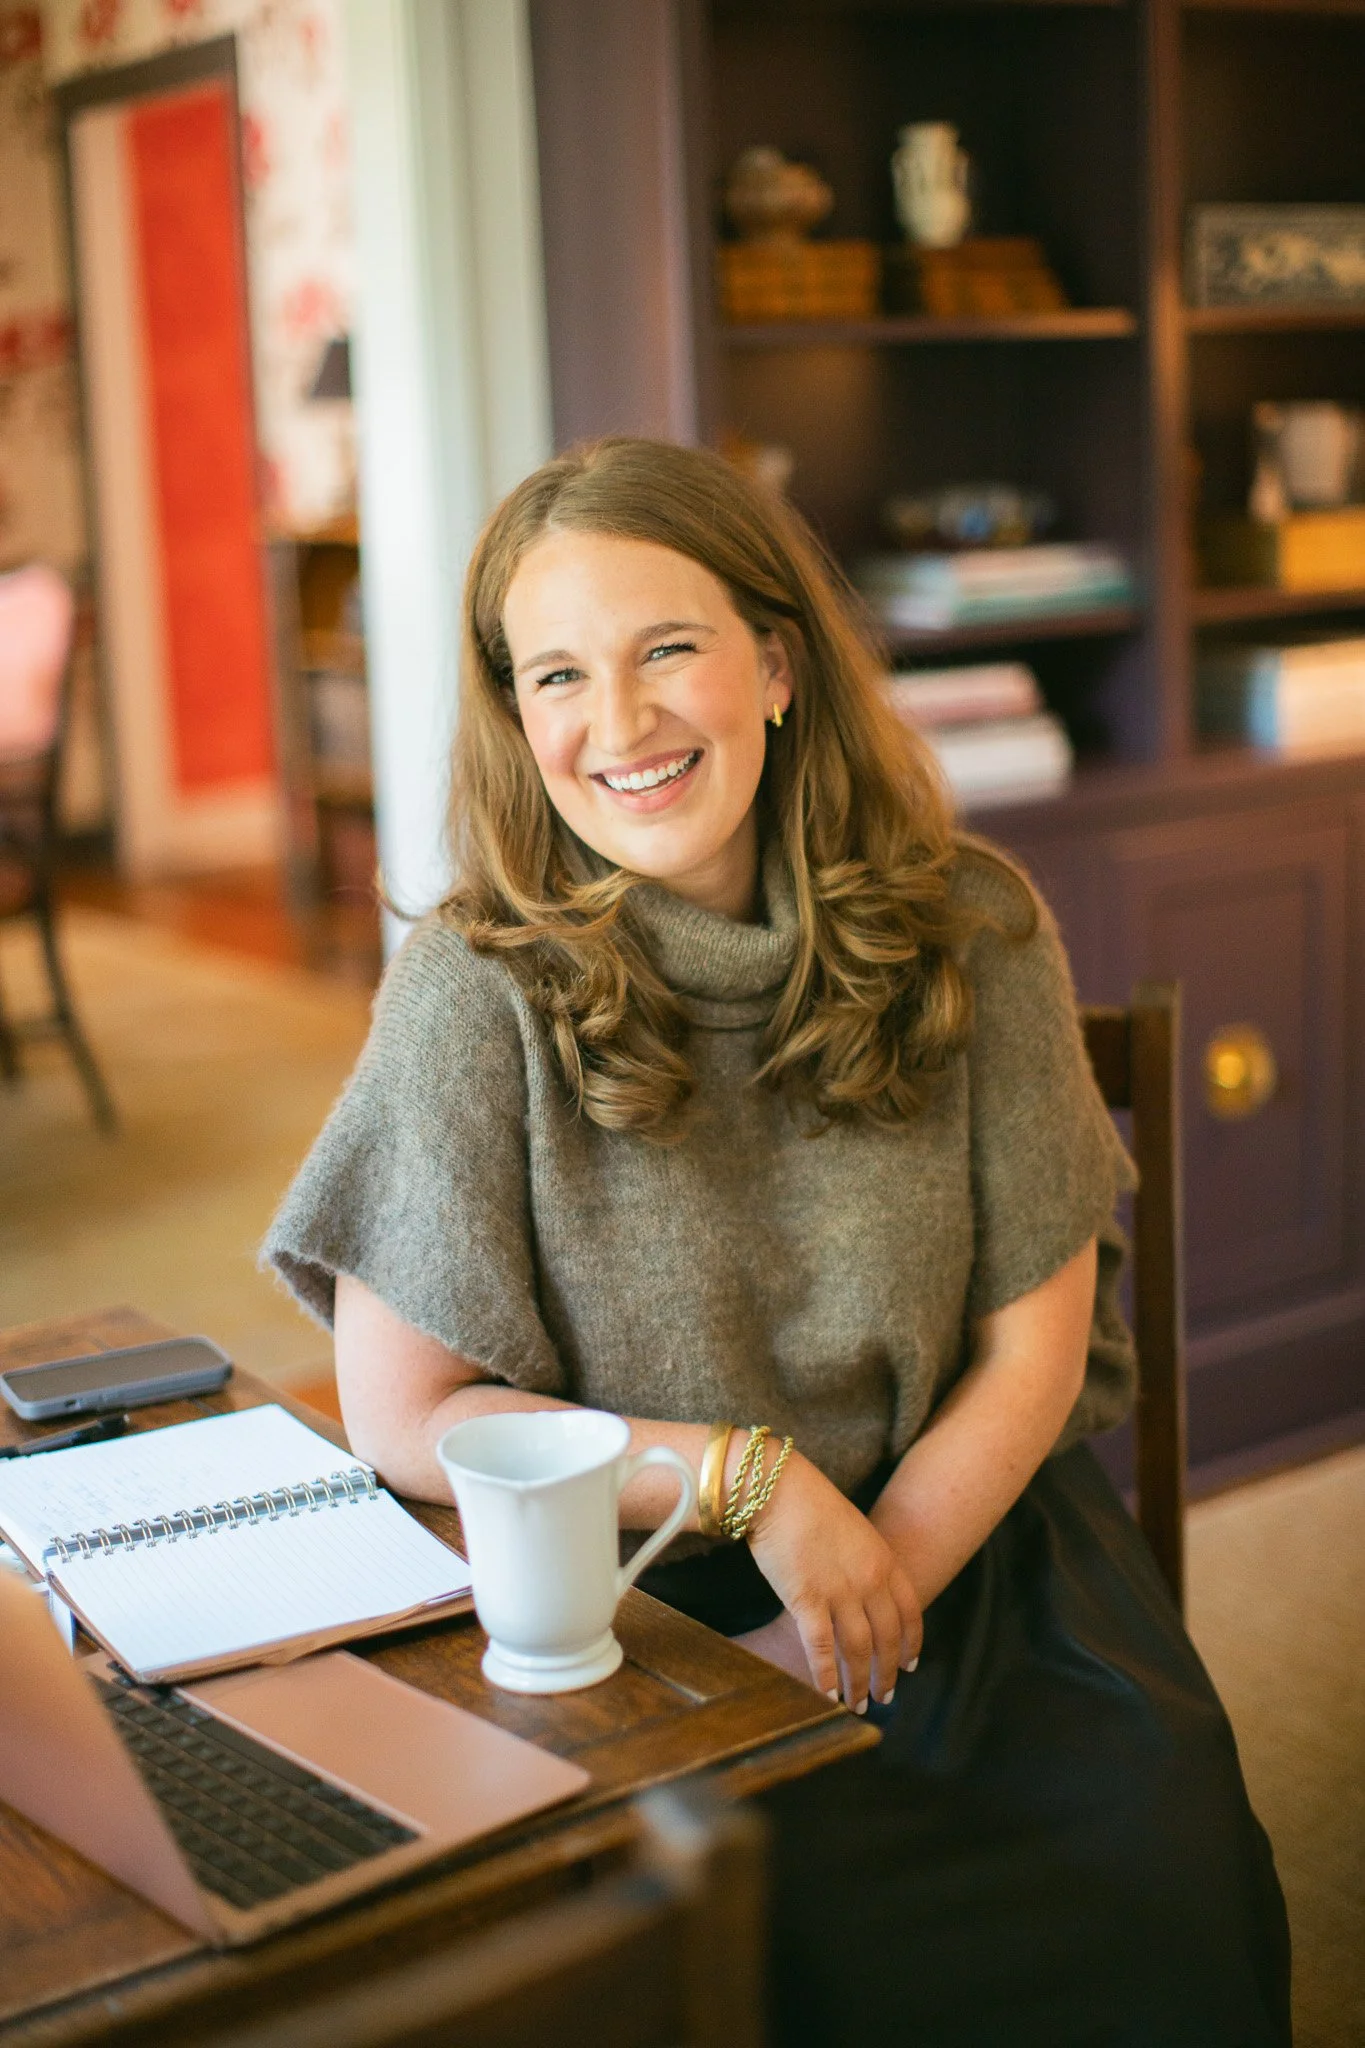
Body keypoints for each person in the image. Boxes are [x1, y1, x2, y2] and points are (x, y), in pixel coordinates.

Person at [265, 438, 1290, 2045]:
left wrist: (870, 1589)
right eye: (558, 675)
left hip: (969, 1558)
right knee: (709, 1973)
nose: (620, 723)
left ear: (778, 665)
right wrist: (749, 1478)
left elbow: (1035, 1351)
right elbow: (408, 1418)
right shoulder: (476, 987)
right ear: (518, 717)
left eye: (668, 648)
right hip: (631, 1606)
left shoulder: (975, 927)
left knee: (1164, 1916)